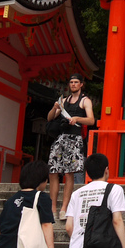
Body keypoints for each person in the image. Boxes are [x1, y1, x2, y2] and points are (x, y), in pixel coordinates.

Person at [46, 74, 95, 220]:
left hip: (74, 138)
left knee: (69, 173)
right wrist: (55, 107)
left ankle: (64, 208)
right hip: (60, 137)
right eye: (71, 82)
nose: (73, 84)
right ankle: (53, 207)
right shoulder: (64, 100)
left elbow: (91, 120)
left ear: (81, 84)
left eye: (76, 82)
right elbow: (50, 118)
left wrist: (77, 119)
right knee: (53, 171)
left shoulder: (85, 100)